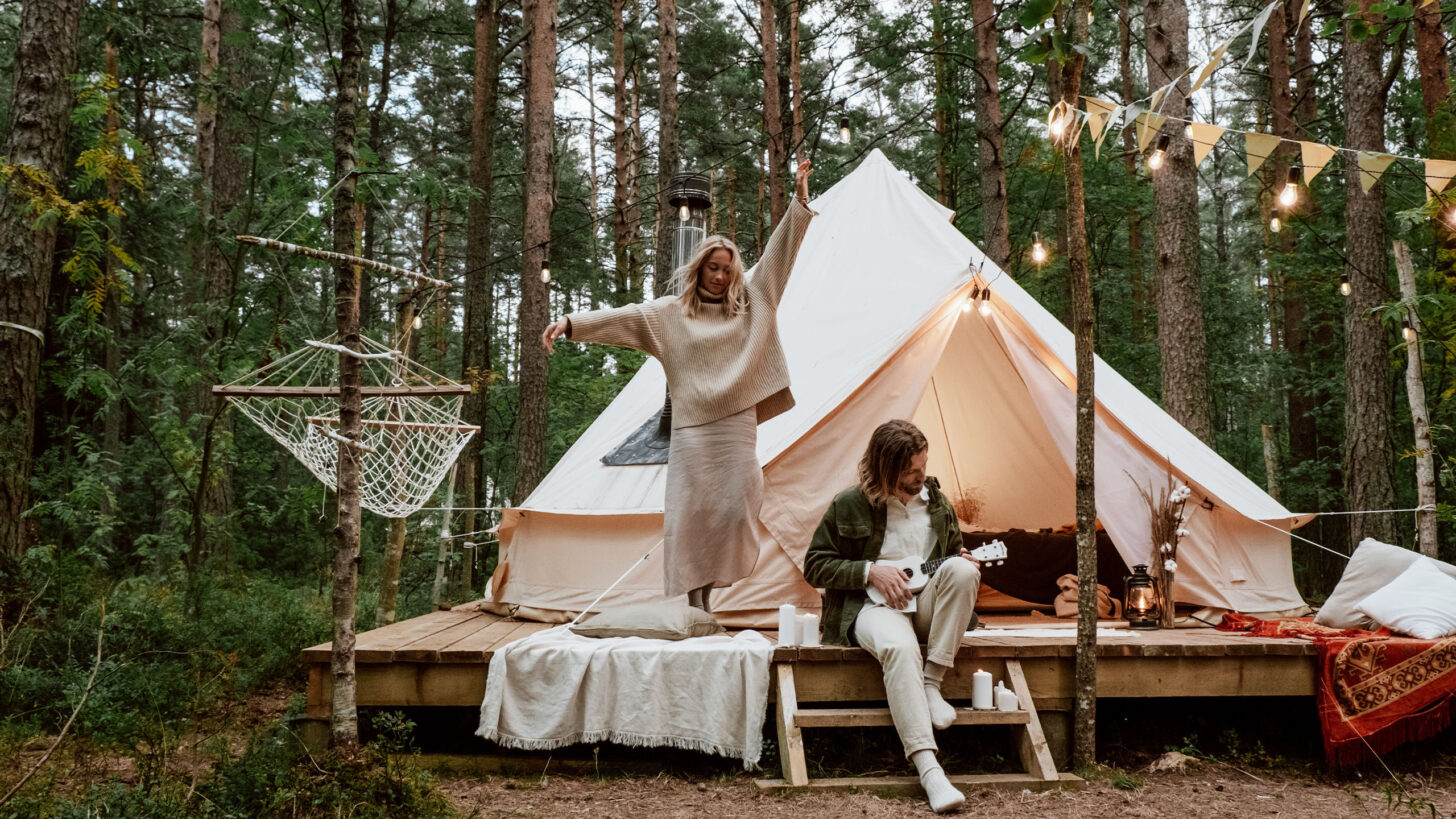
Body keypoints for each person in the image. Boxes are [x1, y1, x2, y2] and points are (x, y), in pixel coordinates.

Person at [541, 161, 815, 612]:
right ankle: (696, 605)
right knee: (693, 515)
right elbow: (624, 317)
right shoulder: (671, 314)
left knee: (734, 507)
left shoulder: (753, 301)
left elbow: (781, 253)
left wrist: (799, 203)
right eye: (713, 267)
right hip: (693, 429)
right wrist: (572, 324)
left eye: (728, 269)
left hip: (736, 425)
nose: (721, 276)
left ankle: (711, 594)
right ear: (700, 268)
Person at [803, 419, 981, 814]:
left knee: (964, 570)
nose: (921, 476)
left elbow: (953, 554)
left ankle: (931, 683)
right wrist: (869, 571)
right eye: (911, 471)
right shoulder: (849, 503)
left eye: (923, 466)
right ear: (886, 468)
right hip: (871, 608)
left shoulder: (937, 504)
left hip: (925, 610)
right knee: (899, 650)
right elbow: (814, 565)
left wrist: (962, 559)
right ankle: (930, 770)